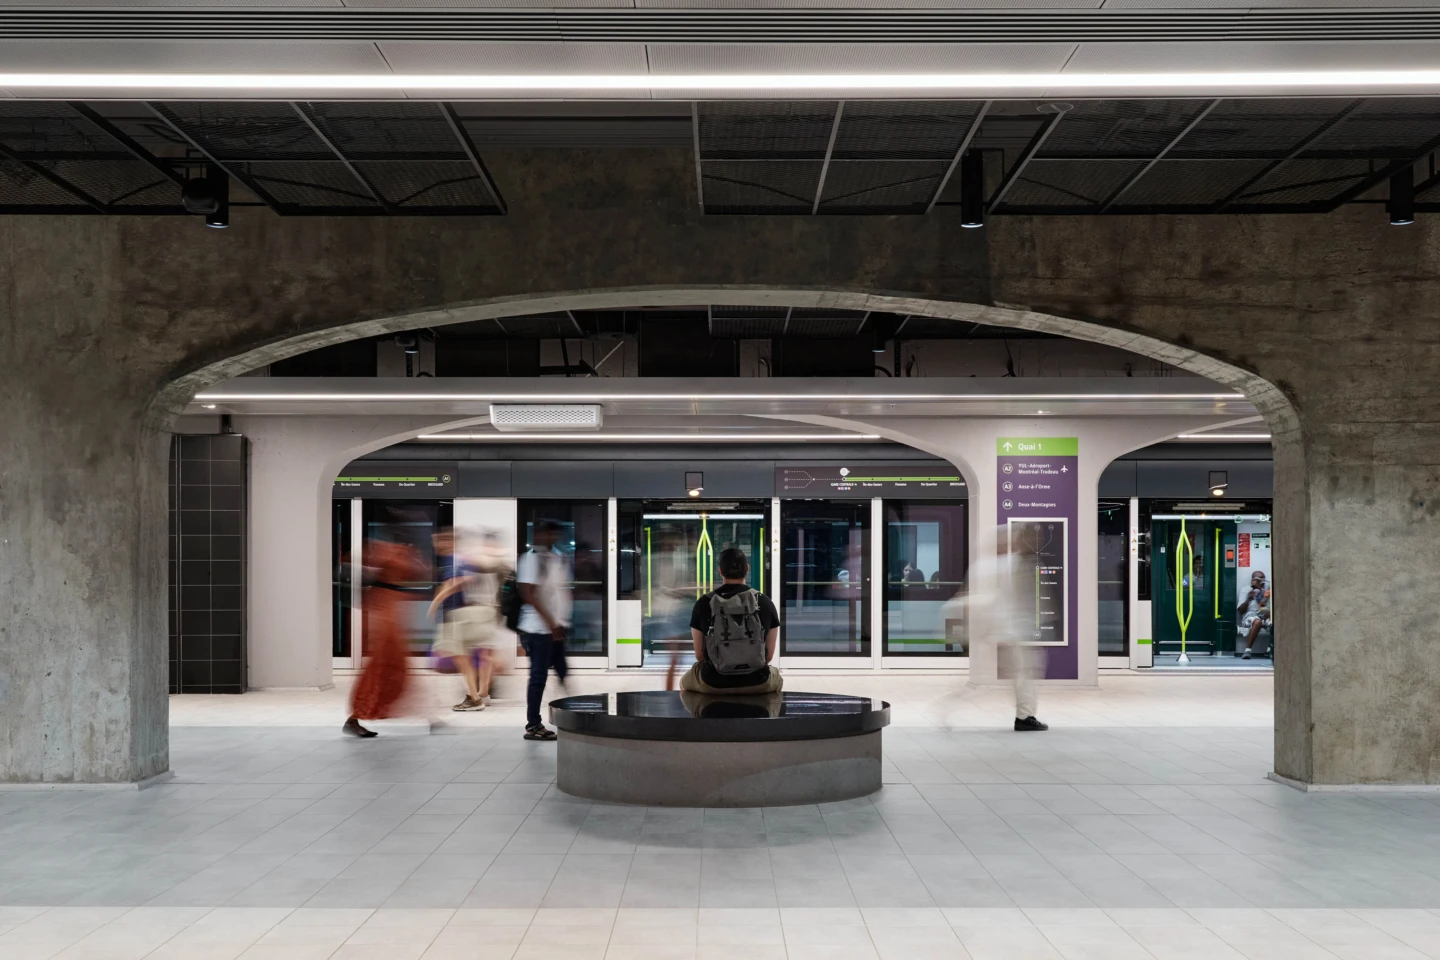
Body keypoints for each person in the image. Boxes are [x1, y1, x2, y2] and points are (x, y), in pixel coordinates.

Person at [965, 524, 1048, 732]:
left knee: (984, 678)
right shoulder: (1009, 564)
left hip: (996, 632)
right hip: (1012, 632)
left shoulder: (980, 567)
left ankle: (944, 710)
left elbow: (974, 601)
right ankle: (1025, 716)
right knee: (1025, 673)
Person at [345, 538, 426, 738]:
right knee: (384, 665)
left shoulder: (397, 550)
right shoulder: (383, 549)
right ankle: (357, 715)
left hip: (391, 607)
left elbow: (418, 574)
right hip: (385, 609)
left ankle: (360, 715)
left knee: (393, 665)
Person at [680, 547, 782, 695]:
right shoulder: (765, 602)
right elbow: (768, 656)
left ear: (720, 571)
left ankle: (701, 714)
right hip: (758, 681)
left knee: (684, 683)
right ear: (747, 569)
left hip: (713, 682)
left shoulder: (704, 603)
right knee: (777, 679)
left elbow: (700, 655)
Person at [429, 528, 507, 712]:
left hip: (471, 612)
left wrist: (437, 601)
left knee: (461, 654)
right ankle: (481, 693)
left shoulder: (464, 559)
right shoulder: (487, 561)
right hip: (489, 610)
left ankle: (475, 696)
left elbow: (458, 582)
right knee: (483, 654)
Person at [517, 519, 571, 741]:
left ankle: (569, 714)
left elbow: (557, 592)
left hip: (554, 627)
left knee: (562, 669)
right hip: (537, 629)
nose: (550, 538)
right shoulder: (530, 559)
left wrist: (560, 622)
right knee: (538, 676)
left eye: (553, 535)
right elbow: (528, 594)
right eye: (547, 534)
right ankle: (533, 725)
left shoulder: (555, 558)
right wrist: (551, 622)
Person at [1237, 570, 1272, 660]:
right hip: (1250, 617)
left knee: (1275, 622)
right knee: (1257, 621)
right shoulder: (1246, 590)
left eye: (1263, 579)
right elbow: (1240, 610)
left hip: (1265, 616)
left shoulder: (1267, 591)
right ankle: (1248, 650)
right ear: (1253, 580)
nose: (1262, 581)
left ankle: (1270, 649)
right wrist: (1249, 599)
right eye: (1259, 579)